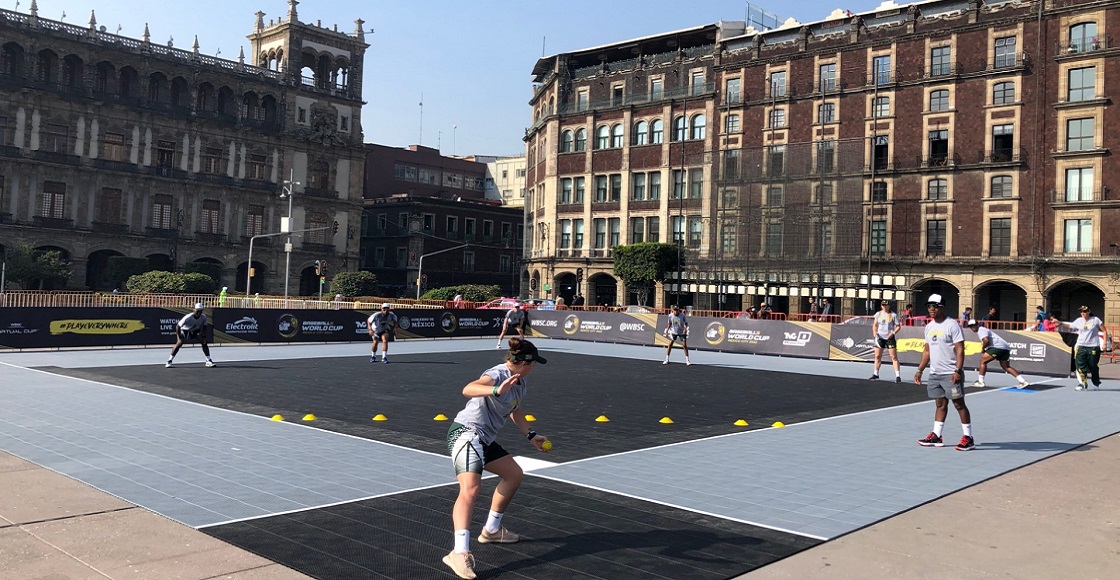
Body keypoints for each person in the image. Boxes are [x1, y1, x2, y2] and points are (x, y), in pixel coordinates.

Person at [444, 338, 549, 580]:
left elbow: (515, 409)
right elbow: (469, 388)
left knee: (514, 475)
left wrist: (531, 435)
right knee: (470, 489)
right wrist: (495, 390)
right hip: (466, 433)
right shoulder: (498, 374)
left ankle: (491, 530)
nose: (535, 368)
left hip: (484, 439)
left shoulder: (520, 383)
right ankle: (459, 553)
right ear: (525, 363)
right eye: (534, 364)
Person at [914, 293, 974, 451]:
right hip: (935, 374)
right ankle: (936, 435)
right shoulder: (929, 327)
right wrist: (920, 369)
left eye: (934, 306)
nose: (931, 309)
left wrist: (958, 370)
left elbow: (960, 350)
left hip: (951, 373)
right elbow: (927, 351)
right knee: (940, 404)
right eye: (929, 306)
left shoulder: (952, 325)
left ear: (941, 307)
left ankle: (968, 437)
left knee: (959, 404)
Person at [1051, 306, 1104, 390]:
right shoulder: (1079, 321)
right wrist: (1059, 322)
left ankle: (1096, 382)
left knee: (1093, 365)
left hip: (1093, 346)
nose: (1083, 313)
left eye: (1085, 311)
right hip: (1081, 345)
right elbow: (1070, 326)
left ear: (1089, 311)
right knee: (1079, 364)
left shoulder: (1096, 320)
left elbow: (1104, 330)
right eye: (1081, 312)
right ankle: (1082, 383)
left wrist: (1105, 343)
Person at [966, 319, 1029, 388]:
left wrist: (983, 349)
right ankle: (1023, 381)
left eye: (974, 326)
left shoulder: (981, 330)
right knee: (1006, 367)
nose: (972, 328)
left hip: (997, 347)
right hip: (1005, 348)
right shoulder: (983, 330)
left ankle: (980, 382)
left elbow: (986, 340)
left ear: (977, 325)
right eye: (971, 326)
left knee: (983, 361)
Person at [166, 303, 215, 368]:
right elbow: (178, 326)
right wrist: (179, 336)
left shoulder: (203, 317)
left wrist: (203, 335)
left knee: (204, 342)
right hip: (184, 330)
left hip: (194, 330)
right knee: (179, 343)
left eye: (200, 311)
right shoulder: (188, 317)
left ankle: (208, 360)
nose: (199, 313)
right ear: (194, 310)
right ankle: (169, 361)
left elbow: (205, 326)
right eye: (197, 310)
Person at [870, 300, 902, 383]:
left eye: (886, 305)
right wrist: (875, 332)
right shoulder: (878, 314)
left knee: (894, 357)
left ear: (889, 306)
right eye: (883, 305)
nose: (884, 307)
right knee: (877, 356)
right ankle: (876, 374)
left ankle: (898, 376)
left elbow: (898, 326)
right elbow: (875, 325)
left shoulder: (893, 315)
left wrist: (893, 333)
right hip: (880, 337)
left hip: (889, 338)